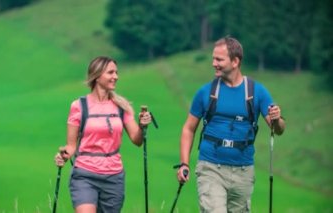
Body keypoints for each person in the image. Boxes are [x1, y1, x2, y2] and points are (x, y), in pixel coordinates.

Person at [176, 36, 285, 212]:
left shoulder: (256, 92)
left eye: (219, 59)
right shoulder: (205, 92)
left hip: (244, 171)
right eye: (213, 58)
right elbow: (188, 129)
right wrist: (184, 163)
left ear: (235, 61)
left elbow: (278, 129)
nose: (213, 63)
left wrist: (277, 119)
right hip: (210, 168)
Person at [54, 56, 152, 213]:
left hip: (114, 177)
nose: (116, 77)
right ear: (97, 76)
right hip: (84, 175)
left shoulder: (122, 106)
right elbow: (71, 146)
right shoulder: (79, 106)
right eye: (110, 73)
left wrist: (142, 126)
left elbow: (137, 140)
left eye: (116, 73)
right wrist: (63, 156)